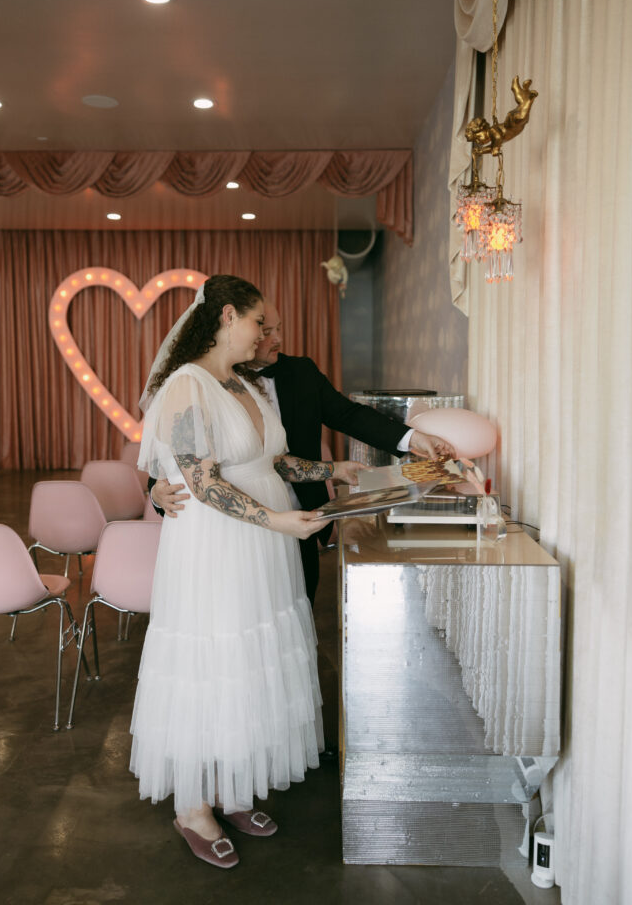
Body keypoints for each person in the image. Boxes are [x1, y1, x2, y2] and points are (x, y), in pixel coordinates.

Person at [131, 275, 362, 870]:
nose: (270, 335)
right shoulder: (187, 387)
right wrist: (278, 523)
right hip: (218, 548)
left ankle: (232, 788)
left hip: (264, 547)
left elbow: (274, 460)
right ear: (229, 317)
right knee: (215, 661)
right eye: (264, 323)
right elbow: (203, 483)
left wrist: (333, 469)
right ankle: (192, 807)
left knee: (252, 664)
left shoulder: (249, 385)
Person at [151, 301, 454, 603]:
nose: (275, 339)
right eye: (264, 329)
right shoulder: (202, 383)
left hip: (302, 517)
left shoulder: (302, 372)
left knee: (297, 609)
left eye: (278, 329)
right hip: (231, 533)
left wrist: (412, 438)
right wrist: (156, 493)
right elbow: (170, 459)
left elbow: (349, 415)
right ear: (233, 326)